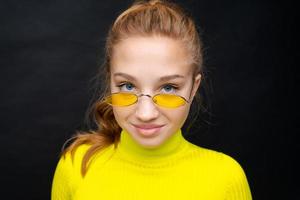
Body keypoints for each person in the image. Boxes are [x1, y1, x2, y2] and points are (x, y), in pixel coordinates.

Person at [51, 0, 252, 199]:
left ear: (193, 88)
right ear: (110, 81)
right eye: (127, 86)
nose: (145, 114)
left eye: (168, 88)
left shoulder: (225, 178)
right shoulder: (76, 165)